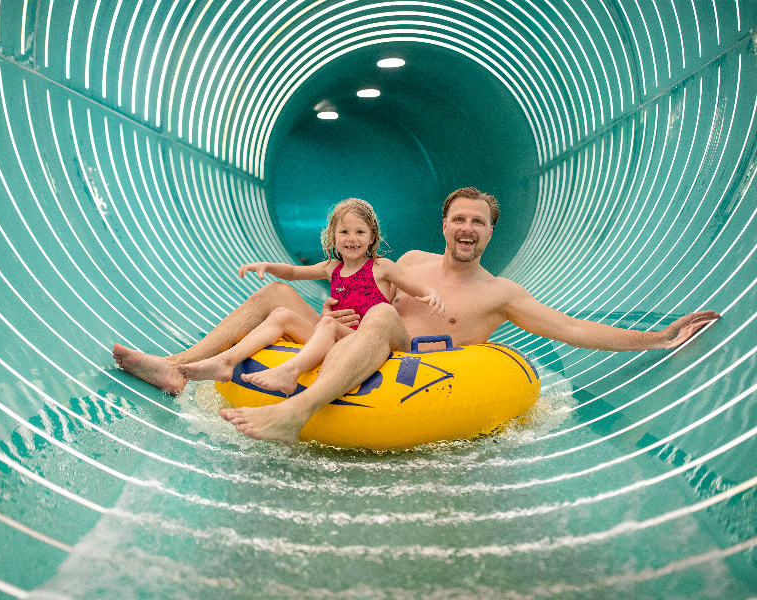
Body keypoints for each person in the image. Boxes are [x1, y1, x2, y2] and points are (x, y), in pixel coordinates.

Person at [113, 187, 719, 444]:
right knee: (276, 300)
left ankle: (293, 413)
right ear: (445, 223)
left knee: (379, 319)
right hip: (351, 337)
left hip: (411, 367)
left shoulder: (500, 292)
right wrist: (320, 301)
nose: (466, 228)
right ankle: (174, 367)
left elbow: (576, 328)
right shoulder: (414, 261)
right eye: (459, 217)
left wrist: (656, 337)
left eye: (478, 221)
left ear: (491, 232)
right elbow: (353, 282)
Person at [174, 198, 444, 396]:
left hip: (363, 344)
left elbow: (416, 289)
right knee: (281, 314)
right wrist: (267, 266)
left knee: (326, 323)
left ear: (372, 236)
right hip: (334, 338)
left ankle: (290, 372)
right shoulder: (332, 267)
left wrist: (432, 295)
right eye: (344, 232)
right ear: (333, 236)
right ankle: (226, 362)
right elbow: (292, 272)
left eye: (360, 232)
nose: (352, 239)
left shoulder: (381, 267)